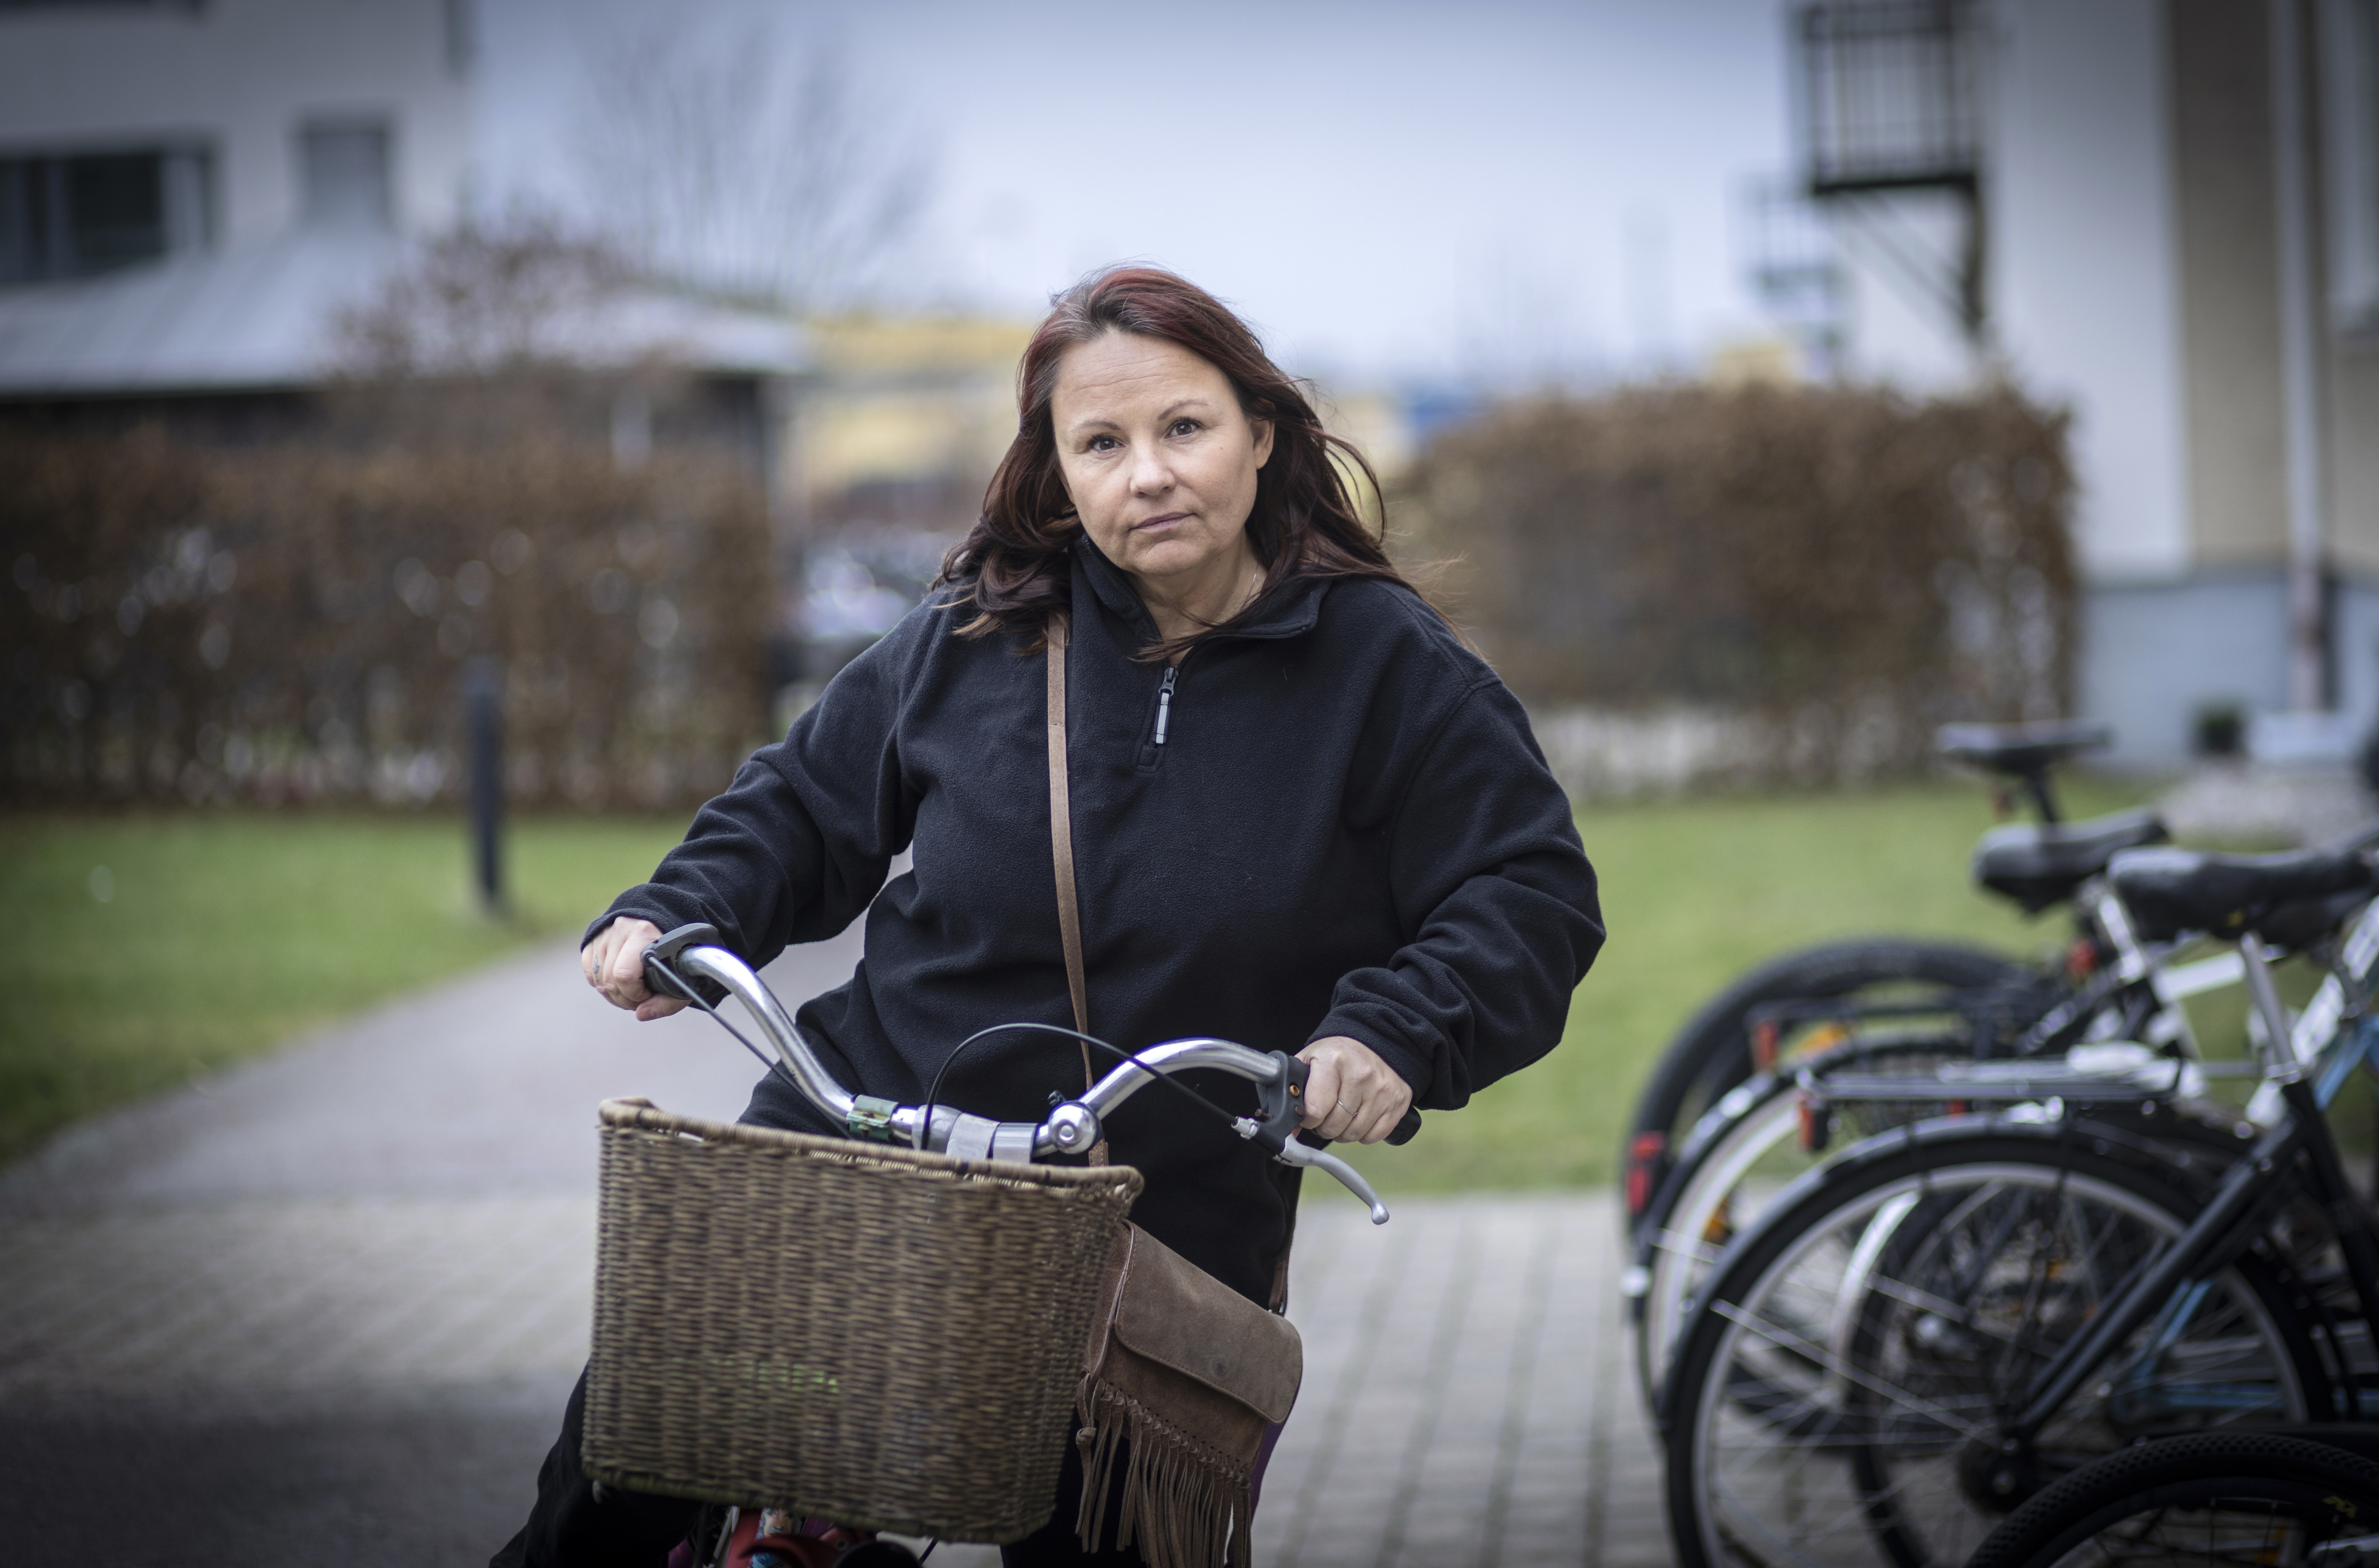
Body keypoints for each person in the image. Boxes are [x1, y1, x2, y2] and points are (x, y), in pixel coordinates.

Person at [495, 266, 1603, 1567]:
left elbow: (1528, 889)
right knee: (629, 1458)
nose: (1150, 475)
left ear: (1260, 434)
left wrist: (1394, 1033)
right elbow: (802, 803)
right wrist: (676, 910)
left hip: (1158, 1213)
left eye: (1184, 428)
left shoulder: (1385, 666)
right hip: (870, 1137)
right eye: (1102, 443)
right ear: (1059, 471)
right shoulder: (979, 630)